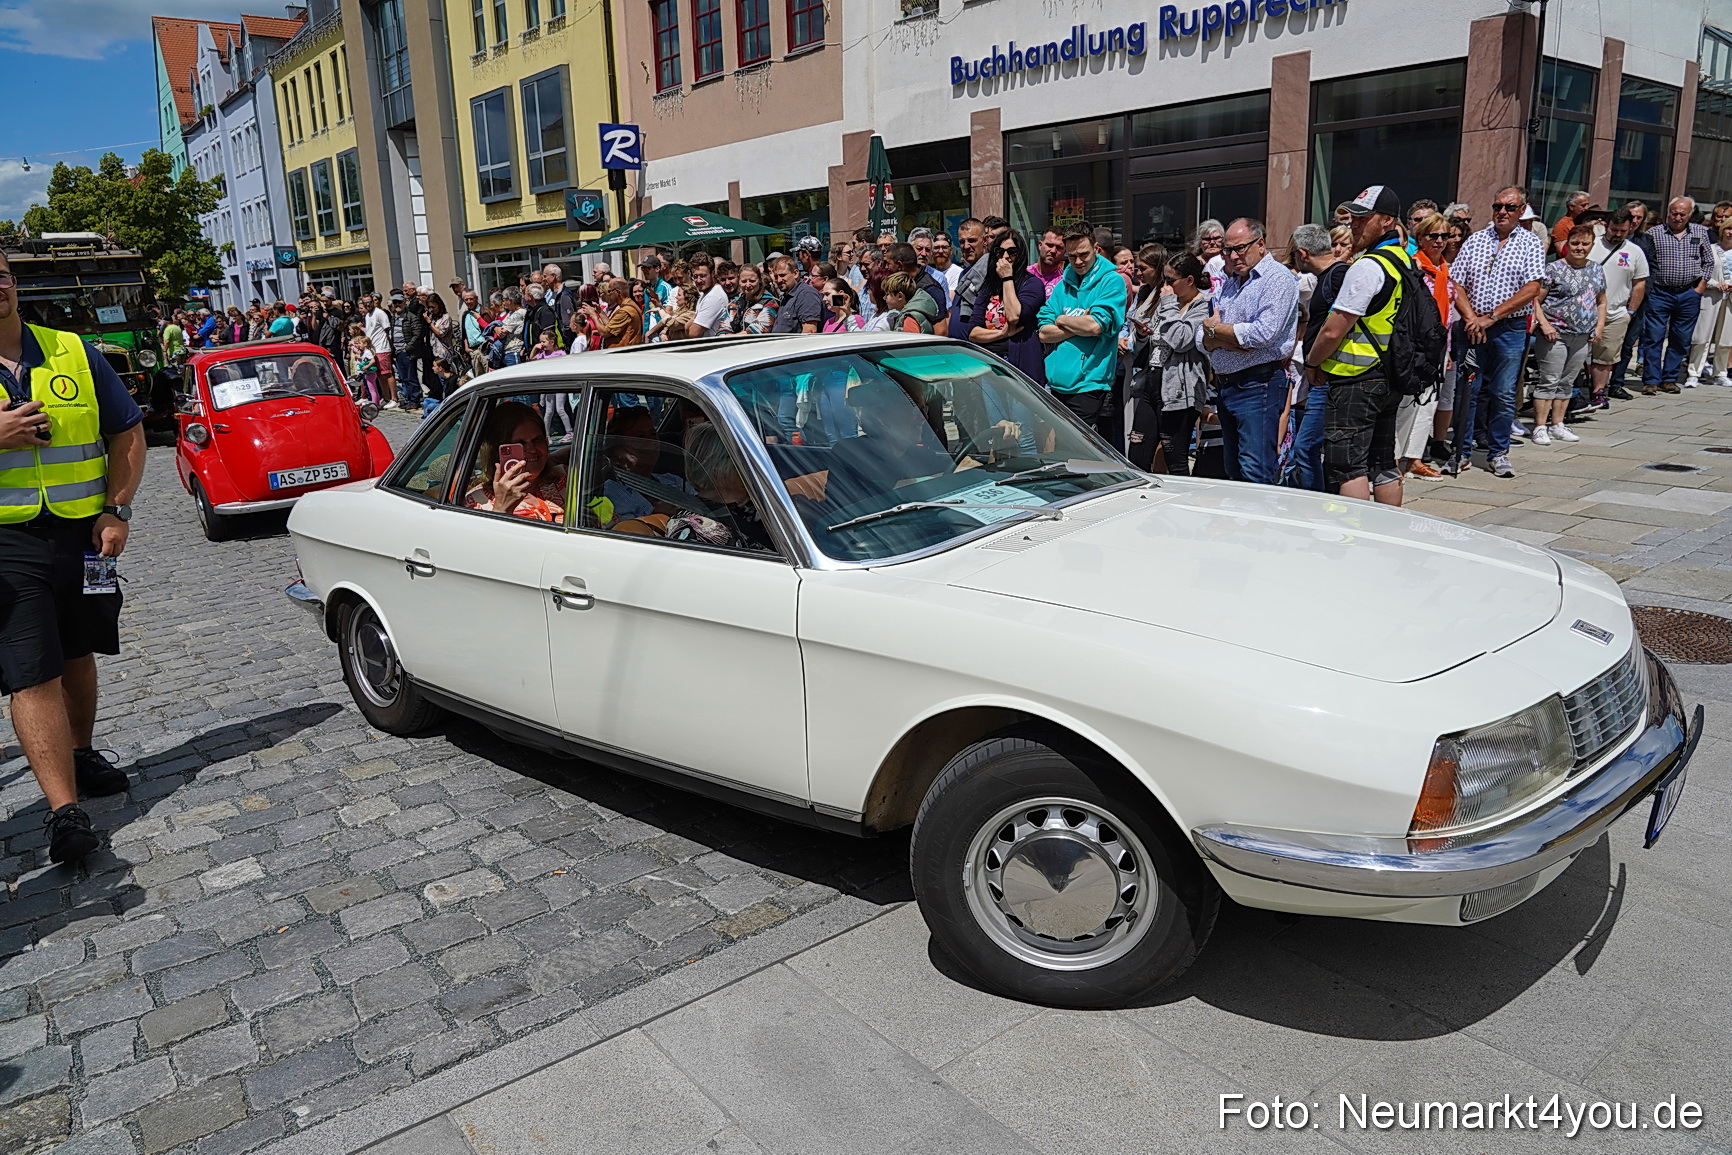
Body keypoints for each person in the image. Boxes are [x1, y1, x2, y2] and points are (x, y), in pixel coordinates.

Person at [0, 249, 145, 862]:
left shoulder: (72, 351)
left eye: (1, 276)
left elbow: (128, 431)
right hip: (7, 545)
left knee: (81, 648)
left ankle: (81, 754)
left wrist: (116, 508)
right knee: (32, 670)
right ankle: (65, 812)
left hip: (83, 536)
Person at [1303, 186, 1412, 506]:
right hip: (1389, 373)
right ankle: (1388, 533)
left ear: (1387, 221)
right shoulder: (1403, 259)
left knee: (1346, 466)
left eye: (1364, 218)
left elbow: (1333, 331)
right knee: (1383, 461)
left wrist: (1312, 364)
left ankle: (1353, 537)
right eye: (1354, 216)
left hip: (1356, 377)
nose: (1354, 223)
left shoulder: (1368, 266)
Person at [1447, 185, 1546, 478]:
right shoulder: (1476, 240)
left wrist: (1490, 317)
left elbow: (1532, 288)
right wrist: (1471, 318)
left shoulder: (1530, 243)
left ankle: (1499, 452)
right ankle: (1461, 451)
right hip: (1472, 325)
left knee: (1503, 392)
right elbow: (1457, 283)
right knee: (1468, 390)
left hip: (1509, 328)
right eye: (1497, 206)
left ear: (1521, 211)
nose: (1502, 212)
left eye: (1510, 207)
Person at [1200, 217, 1299, 484]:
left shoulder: (1277, 279)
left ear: (1261, 244)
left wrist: (1217, 332)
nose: (1233, 256)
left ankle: (1261, 523)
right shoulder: (1232, 283)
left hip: (1258, 384)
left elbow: (1263, 333)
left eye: (1240, 248)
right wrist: (1223, 335)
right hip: (1228, 385)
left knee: (1256, 470)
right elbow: (1203, 337)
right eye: (1227, 251)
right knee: (1233, 468)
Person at [1037, 222, 1128, 439]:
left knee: (1077, 453)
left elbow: (1095, 326)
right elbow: (1043, 332)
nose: (1077, 261)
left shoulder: (1112, 281)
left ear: (1096, 249)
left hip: (1090, 385)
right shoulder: (1063, 284)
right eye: (1071, 256)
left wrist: (1062, 320)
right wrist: (1074, 321)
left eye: (1083, 254)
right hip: (1056, 385)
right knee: (1060, 451)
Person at [1529, 225, 1606, 444]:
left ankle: (1558, 424)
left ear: (1592, 246)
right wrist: (1545, 325)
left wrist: (1599, 326)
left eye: (1584, 244)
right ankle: (1540, 426)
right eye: (1575, 243)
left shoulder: (1596, 270)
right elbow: (1535, 300)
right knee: (1549, 380)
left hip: (1582, 335)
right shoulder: (1553, 269)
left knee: (1567, 381)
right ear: (1566, 244)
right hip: (1556, 334)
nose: (1579, 248)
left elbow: (1601, 300)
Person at [1287, 223, 1347, 491]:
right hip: (1323, 376)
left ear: (1303, 253)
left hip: (1330, 376)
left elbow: (1336, 329)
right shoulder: (1329, 277)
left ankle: (1317, 506)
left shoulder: (1338, 276)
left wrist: (1313, 362)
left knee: (1306, 447)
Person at [1640, 196, 1715, 395]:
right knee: (1653, 337)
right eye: (1674, 213)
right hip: (1660, 292)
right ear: (1668, 213)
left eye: (1682, 214)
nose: (1678, 217)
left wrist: (1701, 286)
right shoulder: (1655, 233)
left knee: (1680, 338)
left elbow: (1709, 261)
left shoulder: (1700, 232)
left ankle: (1669, 379)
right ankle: (1651, 380)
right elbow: (1645, 263)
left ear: (1690, 215)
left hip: (1688, 293)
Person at [1402, 212, 1454, 479]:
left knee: (1428, 405)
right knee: (1406, 404)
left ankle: (1415, 458)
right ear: (1420, 238)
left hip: (1439, 347)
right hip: (1415, 346)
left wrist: (1448, 350)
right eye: (1433, 236)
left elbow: (1450, 311)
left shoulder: (1446, 268)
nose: (1439, 241)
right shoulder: (1413, 267)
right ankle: (1395, 459)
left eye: (1444, 236)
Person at [1153, 252, 1214, 477]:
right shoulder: (1170, 302)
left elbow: (1181, 340)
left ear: (1190, 280)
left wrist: (1168, 304)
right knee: (1147, 452)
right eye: (1164, 279)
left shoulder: (1204, 305)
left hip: (1182, 388)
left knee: (1175, 456)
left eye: (1171, 280)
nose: (1166, 286)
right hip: (1156, 381)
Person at [1586, 208, 1651, 405]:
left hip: (1616, 312)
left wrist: (1630, 311)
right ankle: (1575, 391)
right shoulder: (1592, 245)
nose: (1618, 234)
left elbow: (1639, 283)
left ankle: (1599, 392)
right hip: (1587, 311)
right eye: (1614, 230)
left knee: (1606, 355)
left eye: (1622, 231)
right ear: (1606, 225)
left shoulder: (1635, 252)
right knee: (1580, 353)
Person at [970, 229, 1047, 387]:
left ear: (1020, 255)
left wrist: (1007, 278)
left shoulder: (1032, 284)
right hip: (990, 366)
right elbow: (973, 332)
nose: (1005, 256)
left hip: (1021, 368)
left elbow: (1014, 316)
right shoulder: (988, 287)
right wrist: (1002, 333)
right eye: (1000, 251)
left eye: (1012, 251)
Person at [465, 402, 566, 520]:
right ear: (498, 451)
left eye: (537, 440)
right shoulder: (478, 501)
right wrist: (501, 509)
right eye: (520, 444)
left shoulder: (567, 478)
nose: (532, 449)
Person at [1121, 244, 1165, 467]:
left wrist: (1140, 336)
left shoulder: (1166, 294)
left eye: (1143, 268)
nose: (1138, 273)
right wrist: (1126, 337)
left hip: (1156, 373)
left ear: (1158, 268)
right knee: (1135, 441)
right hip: (1136, 366)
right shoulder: (1144, 292)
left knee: (1155, 444)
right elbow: (1129, 320)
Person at [1689, 220, 1732, 387]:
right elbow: (1699, 272)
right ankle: (1694, 372)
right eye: (1728, 228)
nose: (1730, 232)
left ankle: (1720, 373)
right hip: (1711, 296)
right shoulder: (1711, 250)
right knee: (1702, 337)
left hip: (1729, 300)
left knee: (1725, 339)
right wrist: (1715, 283)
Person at [767, 255, 824, 334]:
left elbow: (810, 331)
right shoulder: (787, 296)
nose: (779, 280)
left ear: (795, 273)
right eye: (776, 276)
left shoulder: (806, 295)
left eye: (782, 275)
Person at [685, 253, 731, 338]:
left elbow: (693, 333)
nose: (698, 280)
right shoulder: (706, 294)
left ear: (713, 273)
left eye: (702, 276)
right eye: (695, 276)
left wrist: (687, 326)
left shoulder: (713, 297)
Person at [587, 279, 642, 348]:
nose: (608, 294)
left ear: (617, 292)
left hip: (623, 353)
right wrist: (599, 311)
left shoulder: (625, 311)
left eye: (609, 291)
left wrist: (593, 315)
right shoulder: (630, 305)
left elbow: (604, 333)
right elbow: (611, 327)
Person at [729, 265, 779, 334]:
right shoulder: (735, 303)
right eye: (743, 281)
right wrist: (723, 334)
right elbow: (724, 325)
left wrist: (731, 338)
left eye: (752, 281)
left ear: (760, 280)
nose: (748, 285)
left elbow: (757, 329)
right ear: (739, 281)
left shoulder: (771, 303)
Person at [1551, 190, 1593, 254]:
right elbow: (1562, 252)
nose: (1587, 208)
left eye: (1588, 205)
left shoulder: (1582, 222)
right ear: (1571, 207)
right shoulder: (1562, 225)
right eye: (1583, 205)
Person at [1029, 228, 1066, 299]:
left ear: (1064, 252)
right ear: (1040, 245)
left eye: (1059, 247)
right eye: (1050, 245)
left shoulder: (1064, 282)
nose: (1053, 251)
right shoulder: (1025, 274)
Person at [1193, 219, 1226, 292]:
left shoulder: (1229, 262)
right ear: (1200, 243)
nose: (1212, 242)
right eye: (1207, 239)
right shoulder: (1193, 264)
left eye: (1216, 238)